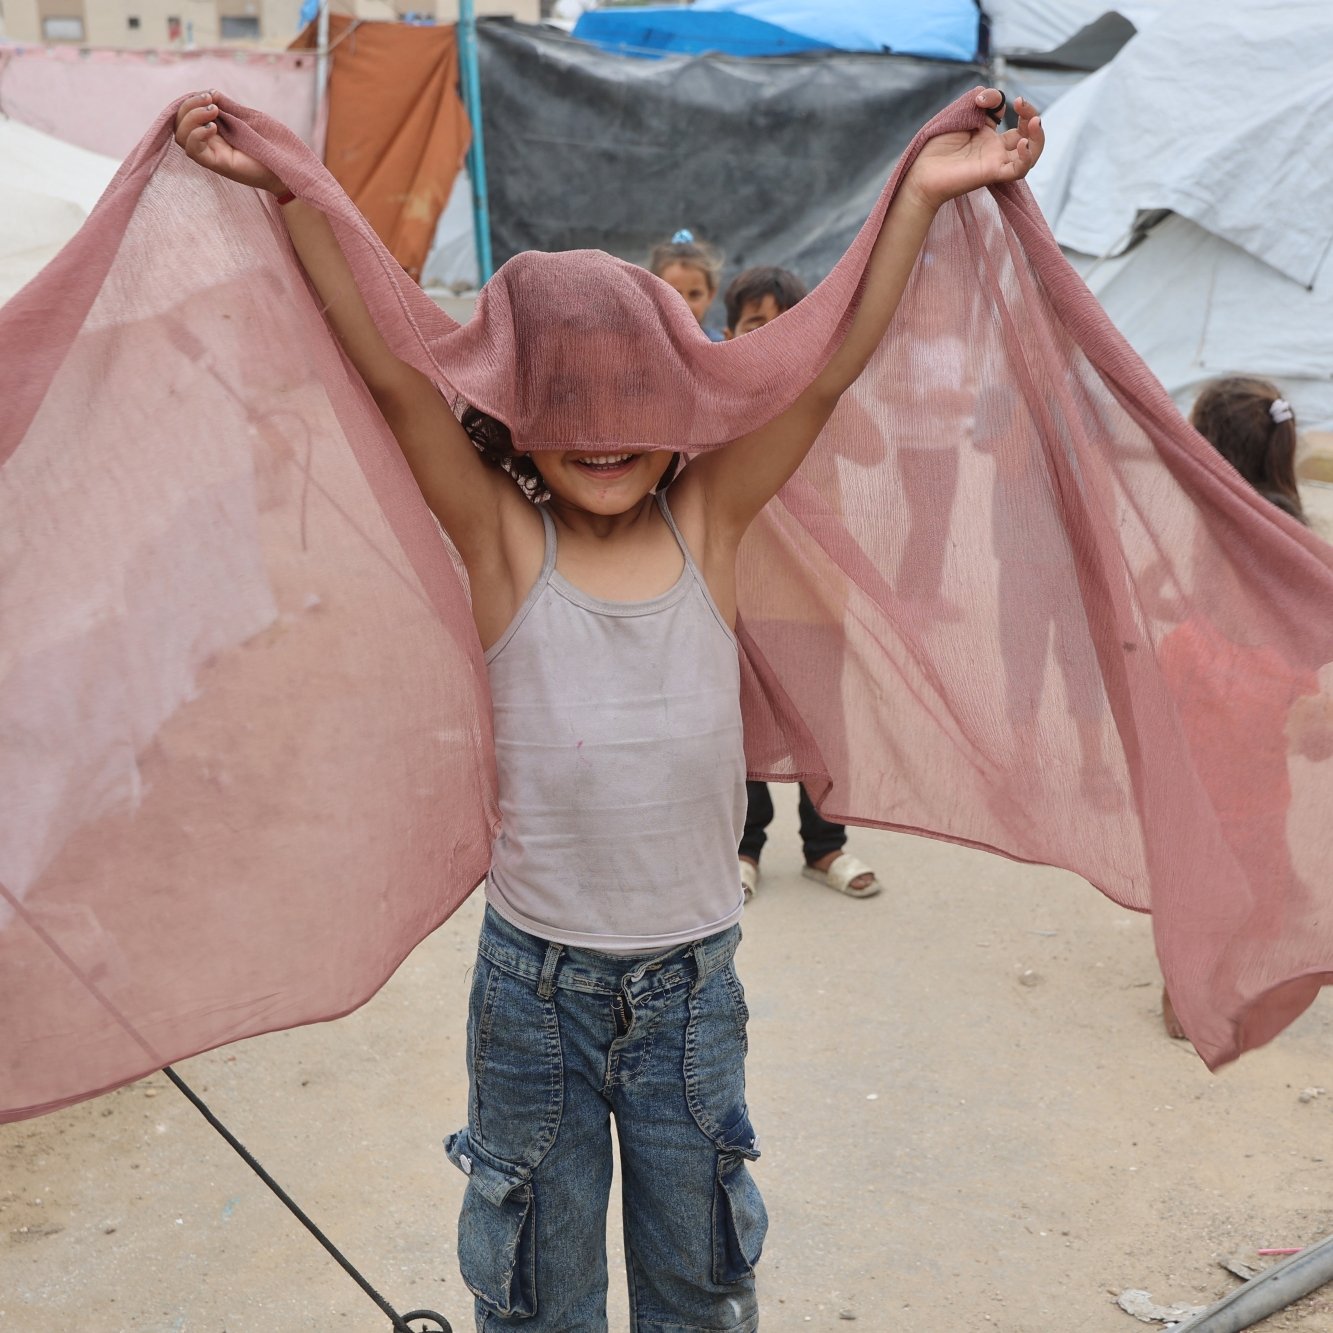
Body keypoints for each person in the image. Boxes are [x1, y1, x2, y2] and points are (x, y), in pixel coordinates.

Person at [173, 87, 1042, 1332]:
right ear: (521, 410)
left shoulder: (711, 524)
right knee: (539, 1287)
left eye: (633, 399)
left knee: (698, 1280)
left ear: (680, 402)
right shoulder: (499, 543)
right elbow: (385, 362)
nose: (602, 433)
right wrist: (290, 187)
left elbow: (828, 363)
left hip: (692, 991)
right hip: (534, 991)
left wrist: (915, 191)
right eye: (567, 399)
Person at [1158, 377, 1333, 1039]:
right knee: (1254, 825)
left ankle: (1184, 991)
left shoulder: (1227, 515)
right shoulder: (1284, 511)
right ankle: (1242, 944)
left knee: (1207, 843)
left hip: (1212, 677)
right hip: (1264, 692)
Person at [724, 265, 882, 901]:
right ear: (730, 333)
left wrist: (824, 386)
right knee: (742, 728)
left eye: (786, 321)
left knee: (823, 726)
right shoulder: (724, 398)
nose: (770, 334)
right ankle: (743, 848)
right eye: (755, 323)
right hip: (742, 594)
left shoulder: (824, 394)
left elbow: (870, 448)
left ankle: (826, 846)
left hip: (816, 596)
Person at [648, 228, 727, 340]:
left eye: (694, 294)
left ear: (710, 295)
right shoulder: (641, 348)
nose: (685, 306)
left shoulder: (719, 349)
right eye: (674, 295)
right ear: (652, 294)